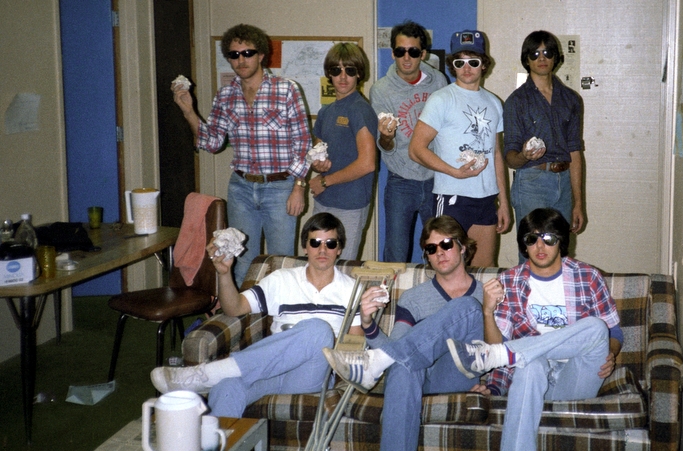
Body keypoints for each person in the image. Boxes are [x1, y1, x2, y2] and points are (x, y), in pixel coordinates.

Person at [149, 213, 362, 418]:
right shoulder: (281, 279)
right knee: (227, 387)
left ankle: (210, 373)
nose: (322, 249)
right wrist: (224, 274)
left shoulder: (352, 289)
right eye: (315, 242)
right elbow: (234, 308)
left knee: (318, 330)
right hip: (270, 370)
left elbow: (356, 346)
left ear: (339, 249)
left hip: (310, 375)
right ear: (305, 247)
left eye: (330, 243)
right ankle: (217, 434)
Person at [445, 208, 623, 451]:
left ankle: (508, 353)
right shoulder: (508, 282)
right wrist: (487, 311)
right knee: (530, 364)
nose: (540, 246)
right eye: (532, 239)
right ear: (524, 245)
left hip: (577, 373)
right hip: (532, 376)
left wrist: (610, 352)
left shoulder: (588, 276)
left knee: (596, 328)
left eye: (548, 238)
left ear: (561, 241)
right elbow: (497, 342)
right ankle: (512, 355)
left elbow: (614, 333)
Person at [323, 215, 485, 451]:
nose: (439, 253)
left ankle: (373, 363)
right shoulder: (413, 298)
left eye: (446, 244)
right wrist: (368, 324)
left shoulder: (486, 294)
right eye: (431, 248)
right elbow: (397, 347)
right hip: (418, 378)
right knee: (402, 363)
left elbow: (503, 346)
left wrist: (494, 386)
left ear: (462, 247)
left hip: (458, 374)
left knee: (468, 306)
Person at [172, 24, 312, 287]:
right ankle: (242, 313)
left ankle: (278, 314)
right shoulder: (226, 95)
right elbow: (212, 142)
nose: (241, 60)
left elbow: (303, 143)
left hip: (280, 188)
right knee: (241, 262)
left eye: (248, 53)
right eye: (234, 55)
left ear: (261, 55)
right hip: (241, 189)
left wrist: (299, 187)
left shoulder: (286, 89)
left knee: (281, 263)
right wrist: (189, 111)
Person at [409, 30, 510, 267]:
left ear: (483, 64)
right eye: (459, 62)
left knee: (483, 270)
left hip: (486, 198)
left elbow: (496, 153)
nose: (466, 68)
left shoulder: (494, 103)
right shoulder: (441, 99)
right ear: (452, 66)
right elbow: (416, 149)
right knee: (447, 267)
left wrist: (504, 202)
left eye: (473, 62)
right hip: (452, 196)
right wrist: (453, 172)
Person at [369, 21, 448, 262]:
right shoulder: (381, 90)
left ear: (422, 54)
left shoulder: (439, 82)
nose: (406, 57)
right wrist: (386, 136)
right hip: (401, 181)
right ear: (392, 53)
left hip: (436, 180)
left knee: (440, 251)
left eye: (413, 51)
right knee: (396, 253)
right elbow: (385, 146)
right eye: (400, 51)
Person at [503, 31, 586, 263]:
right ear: (526, 59)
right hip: (531, 183)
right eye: (535, 53)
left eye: (547, 52)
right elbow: (510, 158)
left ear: (556, 57)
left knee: (561, 254)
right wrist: (524, 155)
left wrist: (579, 203)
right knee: (532, 254)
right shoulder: (516, 101)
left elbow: (575, 152)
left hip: (565, 183)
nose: (542, 58)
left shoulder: (571, 99)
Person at [309, 43, 378, 261]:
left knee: (341, 267)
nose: (343, 76)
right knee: (319, 264)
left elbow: (367, 163)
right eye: (336, 70)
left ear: (359, 73)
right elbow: (317, 155)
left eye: (349, 70)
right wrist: (318, 165)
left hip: (350, 204)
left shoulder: (360, 109)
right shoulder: (326, 111)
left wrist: (325, 181)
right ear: (329, 74)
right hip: (324, 199)